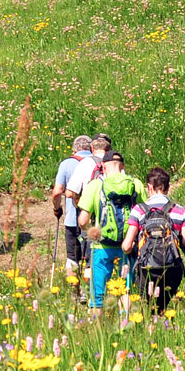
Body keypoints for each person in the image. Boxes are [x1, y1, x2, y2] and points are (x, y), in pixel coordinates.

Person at [75, 151, 145, 312]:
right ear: (123, 166)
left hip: (101, 247)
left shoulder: (95, 185)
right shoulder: (135, 184)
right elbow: (145, 213)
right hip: (128, 247)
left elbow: (82, 221)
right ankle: (126, 328)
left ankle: (98, 331)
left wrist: (92, 233)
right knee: (125, 291)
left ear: (103, 167)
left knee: (97, 296)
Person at [122, 167, 185, 314]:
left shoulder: (139, 210)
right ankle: (162, 321)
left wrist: (131, 245)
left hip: (146, 269)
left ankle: (150, 328)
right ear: (168, 187)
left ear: (149, 187)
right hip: (172, 268)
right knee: (163, 306)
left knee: (147, 307)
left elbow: (126, 246)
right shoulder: (179, 210)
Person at [49, 135, 94, 278]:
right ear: (91, 148)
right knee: (90, 259)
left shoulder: (66, 164)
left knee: (72, 258)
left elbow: (57, 192)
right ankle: (88, 294)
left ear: (74, 149)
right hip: (91, 220)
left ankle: (74, 291)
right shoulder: (97, 163)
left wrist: (57, 209)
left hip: (71, 220)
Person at [62, 134, 113, 201]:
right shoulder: (115, 162)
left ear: (91, 148)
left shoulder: (86, 162)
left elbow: (69, 193)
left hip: (90, 208)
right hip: (112, 208)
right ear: (109, 149)